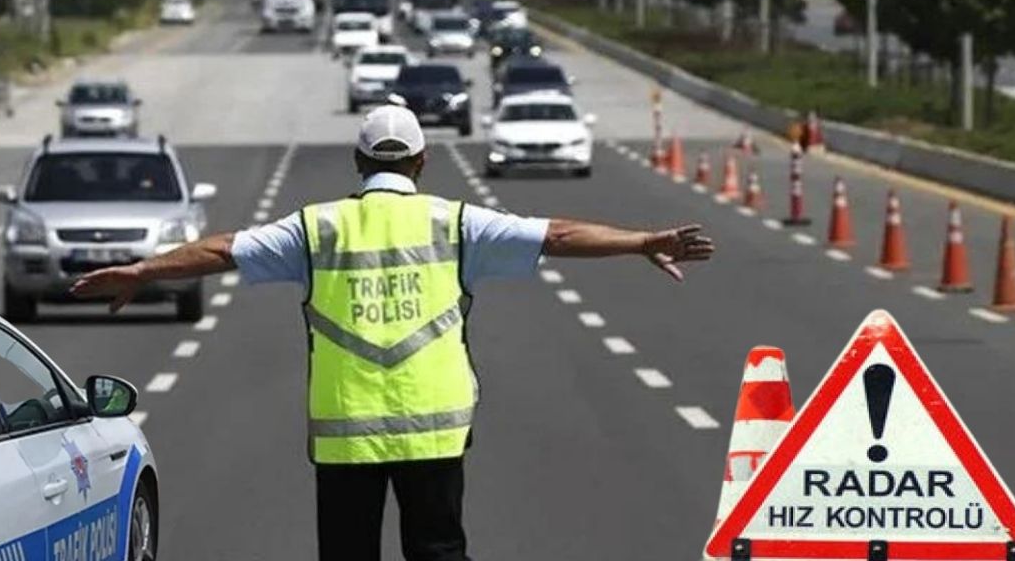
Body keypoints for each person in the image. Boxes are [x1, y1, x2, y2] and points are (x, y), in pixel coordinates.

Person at [71, 105, 715, 561]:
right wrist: (641, 241)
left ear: (357, 161)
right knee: (439, 550)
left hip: (346, 435)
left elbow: (220, 251)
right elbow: (559, 235)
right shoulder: (456, 223)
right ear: (422, 161)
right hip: (434, 430)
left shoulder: (316, 228)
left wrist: (143, 270)